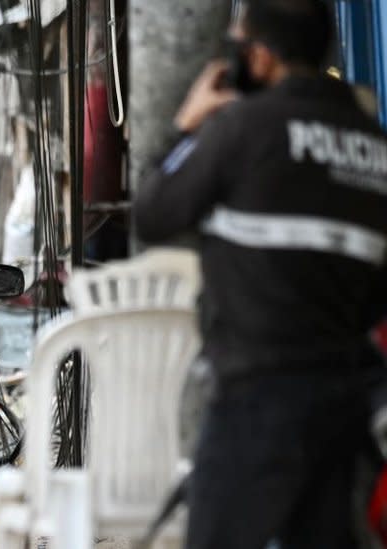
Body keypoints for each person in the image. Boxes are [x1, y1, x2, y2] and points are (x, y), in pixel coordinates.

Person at [133, 1, 387, 547]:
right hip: (342, 412)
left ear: (262, 57)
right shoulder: (374, 145)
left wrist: (185, 125)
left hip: (255, 402)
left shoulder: (242, 129)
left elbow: (154, 213)